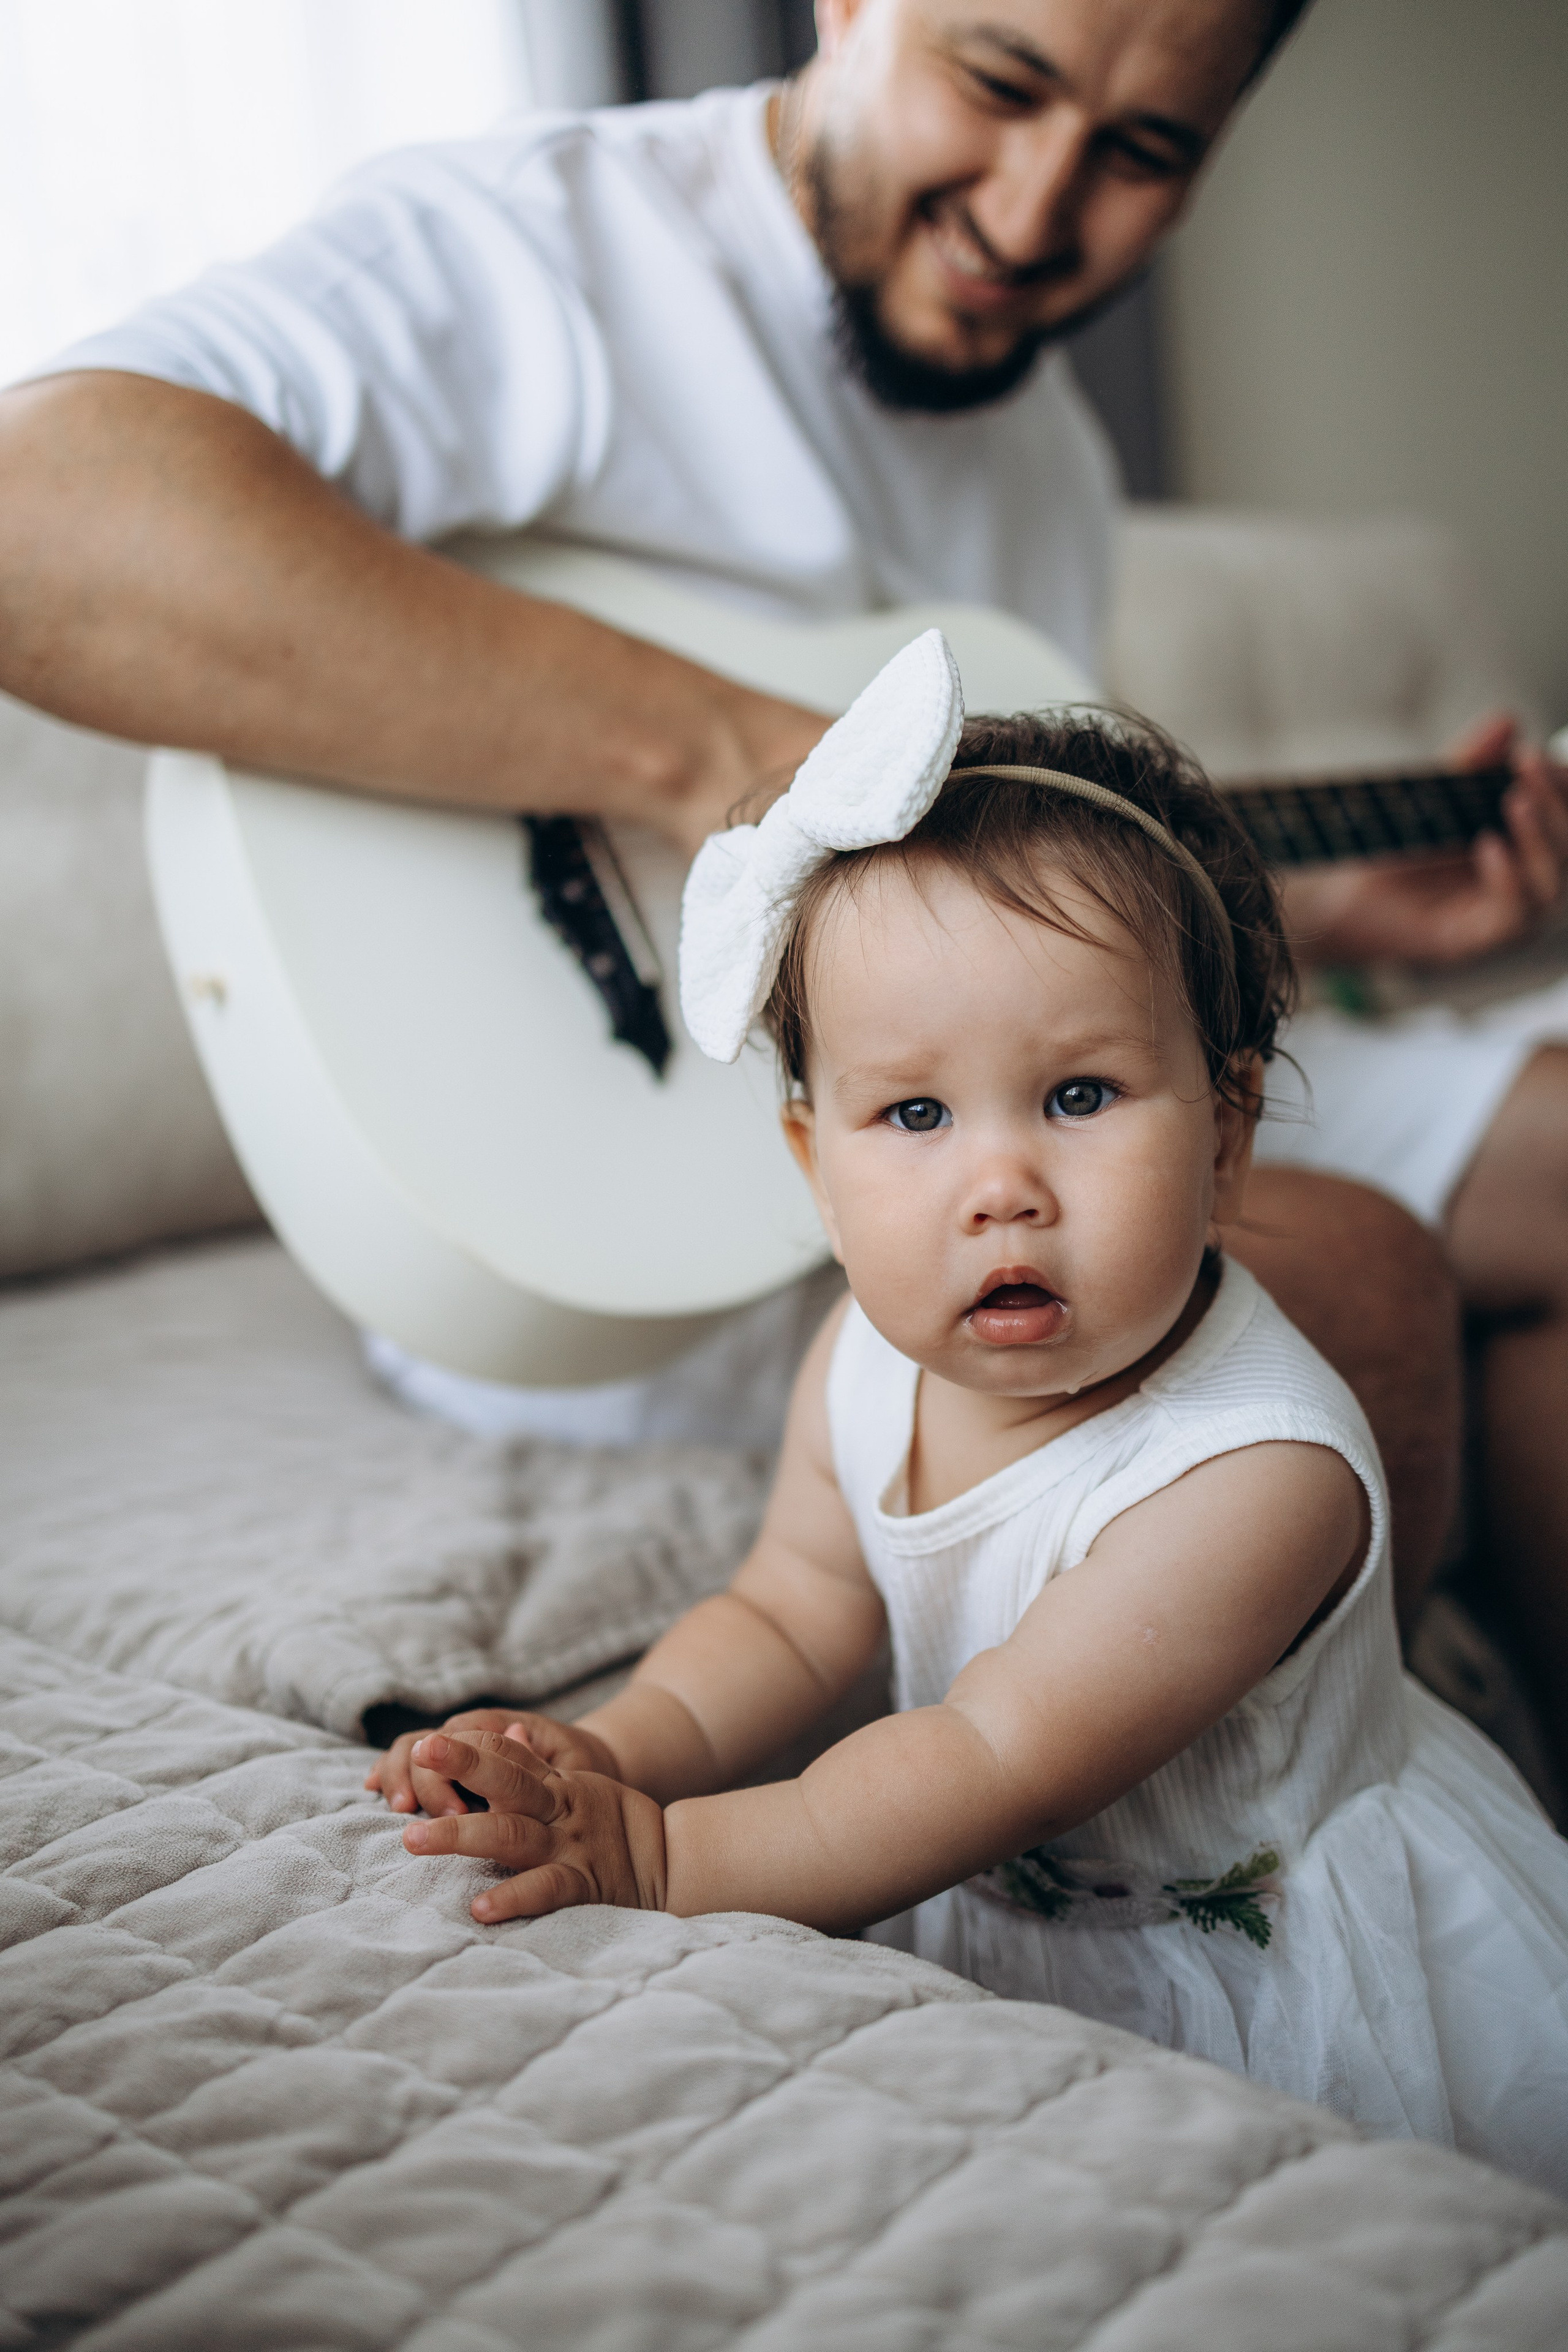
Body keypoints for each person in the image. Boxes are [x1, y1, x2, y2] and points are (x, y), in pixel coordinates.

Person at [0, 1, 1563, 1687]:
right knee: (1361, 1276)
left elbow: (997, 950)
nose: (1032, 213)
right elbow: (41, 516)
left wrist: (1310, 913)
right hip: (627, 1202)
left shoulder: (1047, 452)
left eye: (1140, 152)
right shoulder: (542, 248)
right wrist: (726, 760)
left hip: (970, 1101)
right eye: (998, 83)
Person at [368, 638, 1568, 2193]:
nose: (998, 1185)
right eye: (915, 1114)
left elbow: (993, 1753)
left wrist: (660, 1855)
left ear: (1226, 1134)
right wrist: (611, 1752)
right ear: (815, 1167)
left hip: (1266, 1955)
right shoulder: (865, 1364)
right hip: (997, 1885)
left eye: (1077, 1096)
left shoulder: (1254, 1473)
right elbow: (787, 1614)